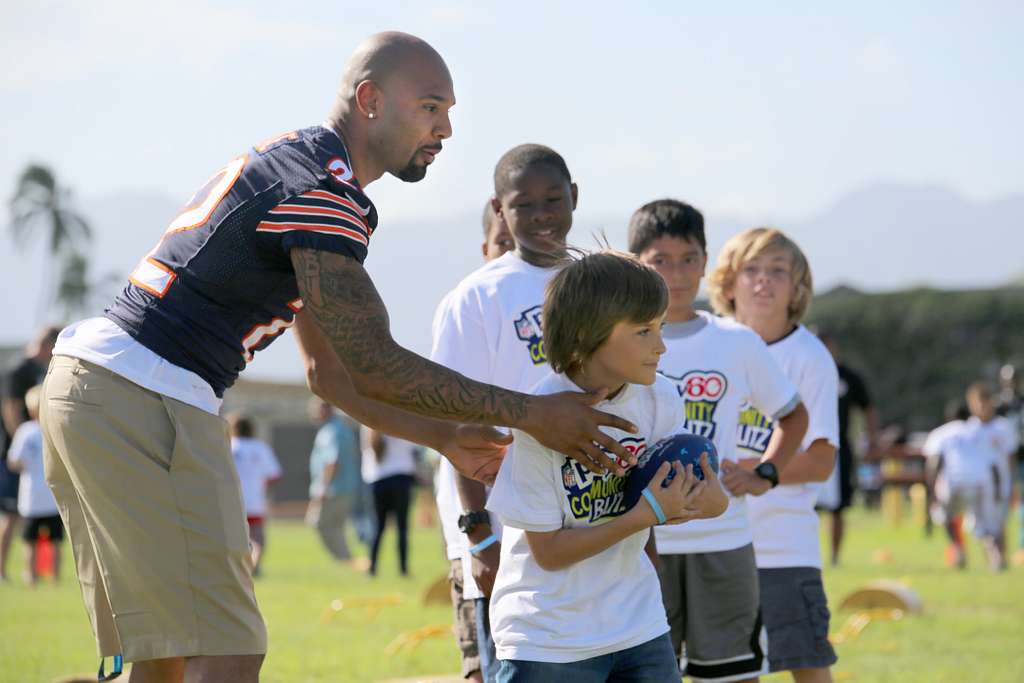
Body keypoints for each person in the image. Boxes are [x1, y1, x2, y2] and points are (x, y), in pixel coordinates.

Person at [40, 32, 639, 682]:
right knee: (228, 648)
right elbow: (375, 358)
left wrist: (442, 437)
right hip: (144, 396)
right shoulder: (326, 192)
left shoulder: (301, 167)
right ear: (371, 100)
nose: (445, 129)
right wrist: (532, 413)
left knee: (166, 658)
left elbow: (330, 374)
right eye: (431, 107)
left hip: (89, 389)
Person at [486, 250, 728, 682]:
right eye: (643, 331)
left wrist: (702, 496)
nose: (661, 346)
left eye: (661, 327)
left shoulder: (661, 401)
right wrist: (645, 515)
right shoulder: (540, 416)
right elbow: (550, 552)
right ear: (586, 333)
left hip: (638, 626)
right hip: (549, 638)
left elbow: (707, 504)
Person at [628, 200, 808, 683]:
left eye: (689, 259)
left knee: (730, 676)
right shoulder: (618, 340)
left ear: (706, 263)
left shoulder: (736, 341)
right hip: (641, 543)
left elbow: (794, 416)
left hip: (723, 540)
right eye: (659, 261)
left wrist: (764, 473)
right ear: (635, 264)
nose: (677, 273)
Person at [431, 144, 585, 682]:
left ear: (575, 196)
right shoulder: (477, 297)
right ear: (500, 210)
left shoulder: (602, 284)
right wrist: (481, 536)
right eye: (524, 204)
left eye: (553, 199)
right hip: (507, 537)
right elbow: (456, 423)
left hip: (591, 531)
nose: (542, 214)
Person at [708, 227, 839, 683]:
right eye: (752, 270)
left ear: (797, 288)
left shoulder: (809, 356)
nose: (764, 281)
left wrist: (760, 470)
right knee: (731, 672)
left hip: (784, 547)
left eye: (778, 272)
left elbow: (822, 459)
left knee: (808, 666)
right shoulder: (710, 344)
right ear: (728, 283)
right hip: (717, 544)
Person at [432, 197, 515, 681]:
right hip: (479, 535)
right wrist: (477, 531)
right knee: (482, 664)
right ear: (485, 247)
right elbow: (451, 427)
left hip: (541, 535)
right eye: (502, 243)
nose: (511, 255)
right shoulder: (469, 307)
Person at [1, 325, 59, 582]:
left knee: (38, 519)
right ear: (47, 344)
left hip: (35, 457)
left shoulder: (43, 369)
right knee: (12, 516)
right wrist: (21, 444)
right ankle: (2, 570)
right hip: (17, 455)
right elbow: (11, 408)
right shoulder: (19, 369)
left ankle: (42, 572)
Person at [816, 332, 881, 565]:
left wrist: (872, 440)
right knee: (803, 504)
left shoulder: (847, 376)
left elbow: (868, 408)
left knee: (839, 506)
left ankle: (834, 556)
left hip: (838, 448)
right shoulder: (801, 372)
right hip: (804, 446)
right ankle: (807, 554)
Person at [7, 385, 63, 585]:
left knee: (30, 541)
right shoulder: (55, 427)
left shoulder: (25, 431)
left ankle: (31, 576)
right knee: (55, 541)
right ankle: (55, 578)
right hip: (53, 497)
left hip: (31, 498)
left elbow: (14, 461)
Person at [961, 382, 1018, 570]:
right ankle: (995, 558)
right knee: (981, 525)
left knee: (998, 522)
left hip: (1000, 483)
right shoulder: (969, 429)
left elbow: (1010, 456)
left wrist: (1010, 482)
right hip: (977, 484)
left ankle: (1000, 558)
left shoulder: (1003, 427)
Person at [306, 399, 363, 566]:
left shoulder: (332, 431)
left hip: (334, 488)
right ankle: (347, 561)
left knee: (319, 523)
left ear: (327, 409)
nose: (313, 412)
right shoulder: (337, 428)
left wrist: (323, 487)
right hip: (343, 487)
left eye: (316, 409)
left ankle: (345, 561)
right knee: (337, 528)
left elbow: (333, 461)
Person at [227, 414, 282, 577]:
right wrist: (261, 487)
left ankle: (236, 567)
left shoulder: (228, 445)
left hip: (231, 499)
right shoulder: (260, 448)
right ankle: (255, 566)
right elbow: (274, 475)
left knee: (234, 536)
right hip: (254, 499)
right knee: (257, 537)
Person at [361, 426, 419, 576]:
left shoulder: (366, 419)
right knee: (402, 527)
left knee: (378, 527)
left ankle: (372, 568)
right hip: (401, 476)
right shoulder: (400, 415)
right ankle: (403, 569)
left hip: (377, 478)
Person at [922, 399, 972, 568]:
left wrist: (932, 492)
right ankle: (995, 557)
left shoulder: (941, 433)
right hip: (978, 481)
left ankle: (958, 549)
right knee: (984, 523)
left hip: (951, 482)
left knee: (946, 517)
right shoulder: (977, 430)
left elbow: (934, 463)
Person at [995, 364, 1024, 564]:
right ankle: (999, 550)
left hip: (1021, 459)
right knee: (1000, 504)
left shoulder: (1021, 402)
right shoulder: (998, 406)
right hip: (1001, 462)